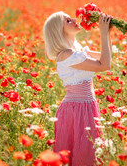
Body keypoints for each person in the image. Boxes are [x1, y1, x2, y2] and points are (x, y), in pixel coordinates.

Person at [43, 11, 113, 166]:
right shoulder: (67, 55)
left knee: (89, 153)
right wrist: (102, 32)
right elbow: (105, 65)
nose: (74, 20)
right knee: (83, 155)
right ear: (59, 31)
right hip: (77, 110)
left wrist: (107, 32)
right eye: (68, 21)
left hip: (86, 107)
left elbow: (106, 57)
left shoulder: (76, 50)